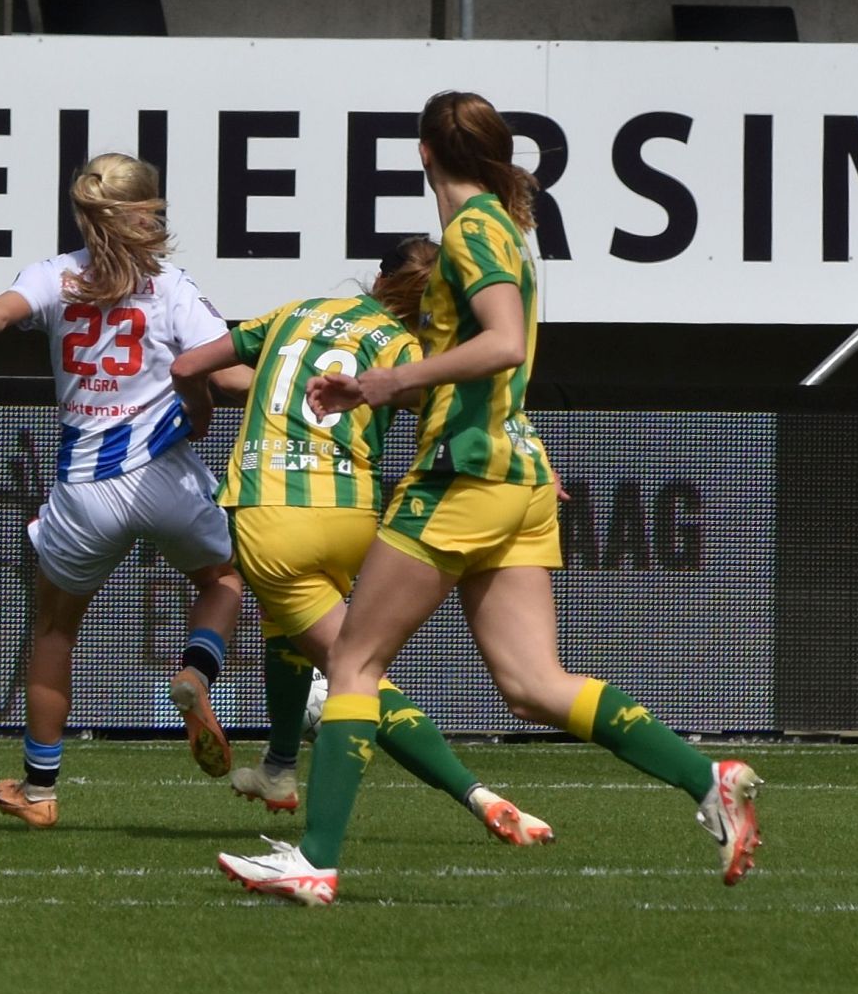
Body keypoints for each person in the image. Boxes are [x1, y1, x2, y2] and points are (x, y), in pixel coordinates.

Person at [218, 92, 761, 905]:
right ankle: (705, 777)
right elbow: (496, 363)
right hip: (514, 477)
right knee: (535, 683)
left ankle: (316, 860)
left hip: (462, 479)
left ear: (424, 154)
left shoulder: (472, 230)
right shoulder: (503, 229)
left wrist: (386, 381)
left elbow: (502, 342)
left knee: (356, 663)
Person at [172, 237, 554, 846]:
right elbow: (475, 417)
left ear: (378, 277)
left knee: (354, 674)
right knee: (289, 632)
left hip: (271, 513)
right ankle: (276, 769)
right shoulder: (412, 353)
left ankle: (475, 794)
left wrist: (207, 410)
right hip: (353, 513)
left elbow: (190, 367)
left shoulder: (295, 312)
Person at [0, 152, 244, 829]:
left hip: (85, 489)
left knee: (57, 629)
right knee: (224, 582)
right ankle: (196, 674)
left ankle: (39, 791)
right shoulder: (173, 287)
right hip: (165, 475)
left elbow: (0, 314)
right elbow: (223, 371)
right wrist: (293, 389)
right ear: (150, 213)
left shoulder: (55, 279)